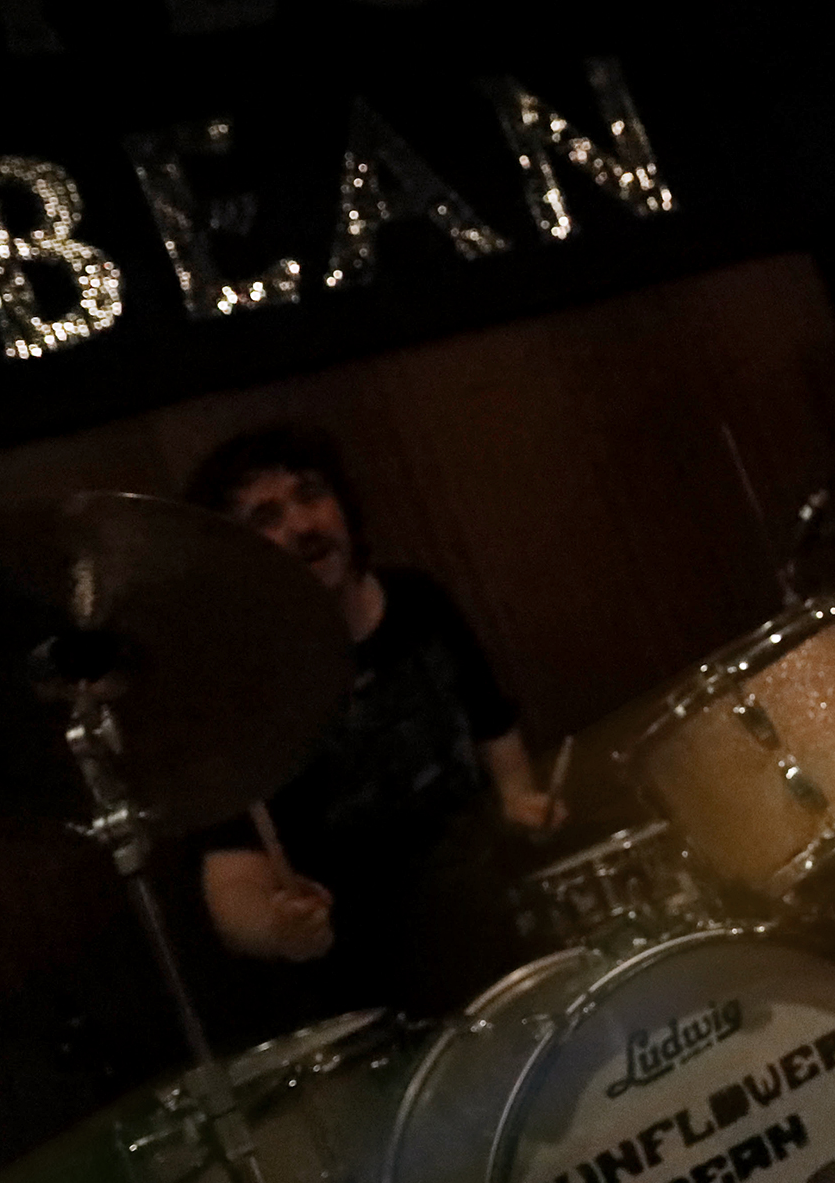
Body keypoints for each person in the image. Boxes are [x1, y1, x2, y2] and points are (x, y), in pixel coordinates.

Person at [182, 424, 563, 1033]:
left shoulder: (418, 602)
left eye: (311, 495)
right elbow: (230, 890)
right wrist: (279, 928)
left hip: (505, 936)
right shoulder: (243, 688)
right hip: (375, 1001)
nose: (302, 525)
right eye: (266, 517)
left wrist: (520, 799)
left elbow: (495, 729)